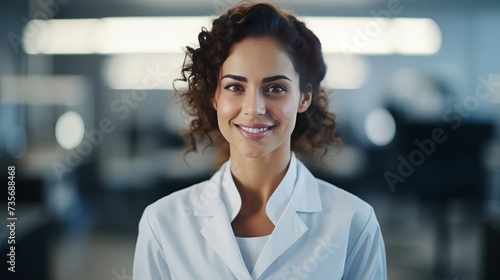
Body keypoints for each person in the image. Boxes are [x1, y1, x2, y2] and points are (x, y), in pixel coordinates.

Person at [133, 2, 387, 279]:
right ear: (214, 97)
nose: (254, 108)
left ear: (304, 97)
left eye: (275, 88)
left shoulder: (354, 222)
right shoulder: (162, 223)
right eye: (235, 87)